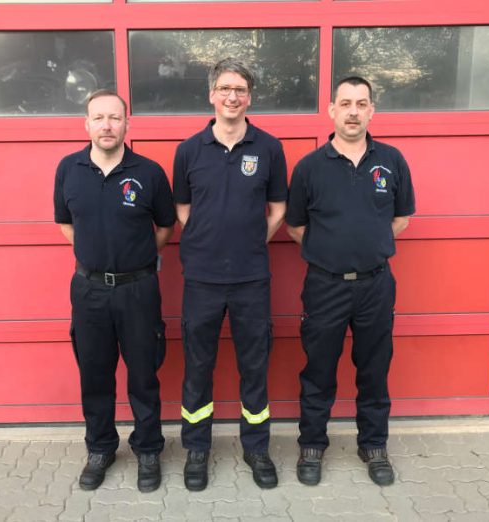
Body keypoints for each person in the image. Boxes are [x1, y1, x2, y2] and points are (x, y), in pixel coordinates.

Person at [285, 76, 415, 487]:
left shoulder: (391, 161)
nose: (353, 111)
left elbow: (401, 219)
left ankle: (373, 444)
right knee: (318, 369)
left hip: (376, 285)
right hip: (325, 286)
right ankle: (312, 445)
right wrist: (332, 252)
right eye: (346, 103)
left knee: (374, 368)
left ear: (372, 110)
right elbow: (295, 226)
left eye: (361, 103)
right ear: (332, 111)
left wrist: (370, 246)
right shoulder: (309, 167)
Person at [172, 58, 288, 491]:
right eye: (224, 89)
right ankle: (197, 449)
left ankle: (256, 448)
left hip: (251, 277)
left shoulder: (268, 148)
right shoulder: (189, 149)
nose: (232, 96)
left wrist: (251, 240)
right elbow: (183, 208)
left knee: (253, 366)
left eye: (240, 89)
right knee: (198, 366)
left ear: (249, 97)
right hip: (201, 277)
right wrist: (206, 239)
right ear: (211, 95)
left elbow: (279, 208)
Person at [53, 90, 176, 492]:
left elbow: (164, 228)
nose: (107, 125)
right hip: (88, 292)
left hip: (138, 290)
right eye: (99, 118)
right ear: (86, 124)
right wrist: (97, 260)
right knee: (95, 374)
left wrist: (132, 263)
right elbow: (66, 224)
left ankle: (147, 450)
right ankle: (101, 448)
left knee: (143, 374)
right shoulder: (68, 169)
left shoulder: (150, 172)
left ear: (127, 124)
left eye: (115, 118)